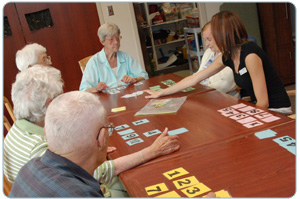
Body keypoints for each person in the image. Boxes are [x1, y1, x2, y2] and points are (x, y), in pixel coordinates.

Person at [9, 91, 180, 197]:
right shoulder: (81, 194)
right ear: (101, 138)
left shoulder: (29, 168)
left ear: (47, 132)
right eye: (108, 129)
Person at [144, 11, 291, 115]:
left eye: (211, 38)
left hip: (277, 110)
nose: (208, 43)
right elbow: (194, 78)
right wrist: (160, 93)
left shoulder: (250, 55)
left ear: (224, 35)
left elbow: (263, 103)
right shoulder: (227, 56)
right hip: (259, 108)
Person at [79, 22, 149, 92]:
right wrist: (97, 88)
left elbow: (144, 75)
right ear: (102, 42)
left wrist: (134, 79)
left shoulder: (125, 57)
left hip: (128, 96)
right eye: (111, 39)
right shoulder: (94, 62)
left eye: (118, 38)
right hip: (107, 100)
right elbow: (83, 90)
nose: (116, 42)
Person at [196, 22, 239, 98]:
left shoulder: (231, 55)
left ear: (220, 36)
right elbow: (198, 74)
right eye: (205, 40)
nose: (206, 44)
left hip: (223, 99)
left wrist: (198, 91)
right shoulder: (209, 52)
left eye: (209, 39)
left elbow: (224, 85)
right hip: (204, 95)